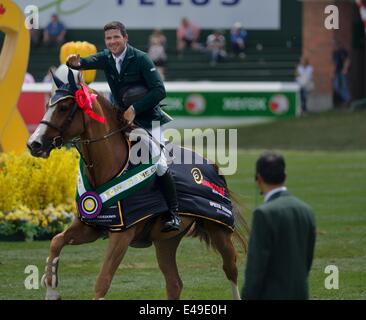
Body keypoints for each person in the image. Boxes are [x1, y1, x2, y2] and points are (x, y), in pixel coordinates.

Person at [66, 21, 181, 233]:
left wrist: (135, 109)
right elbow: (88, 61)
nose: (112, 42)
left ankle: (173, 213)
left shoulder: (141, 59)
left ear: (125, 38)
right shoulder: (106, 58)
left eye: (116, 37)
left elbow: (159, 91)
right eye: (108, 39)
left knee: (160, 163)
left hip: (148, 119)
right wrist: (76, 63)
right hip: (121, 119)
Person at [242, 151, 316, 300]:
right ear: (285, 176)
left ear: (258, 179)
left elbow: (256, 267)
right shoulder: (306, 210)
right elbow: (307, 261)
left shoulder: (263, 214)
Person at [332, 41, 351, 108]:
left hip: (342, 72)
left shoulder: (342, 51)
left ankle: (347, 100)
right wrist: (333, 73)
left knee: (344, 85)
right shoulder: (334, 53)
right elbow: (334, 64)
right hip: (337, 72)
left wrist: (345, 69)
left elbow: (347, 60)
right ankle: (347, 98)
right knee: (336, 87)